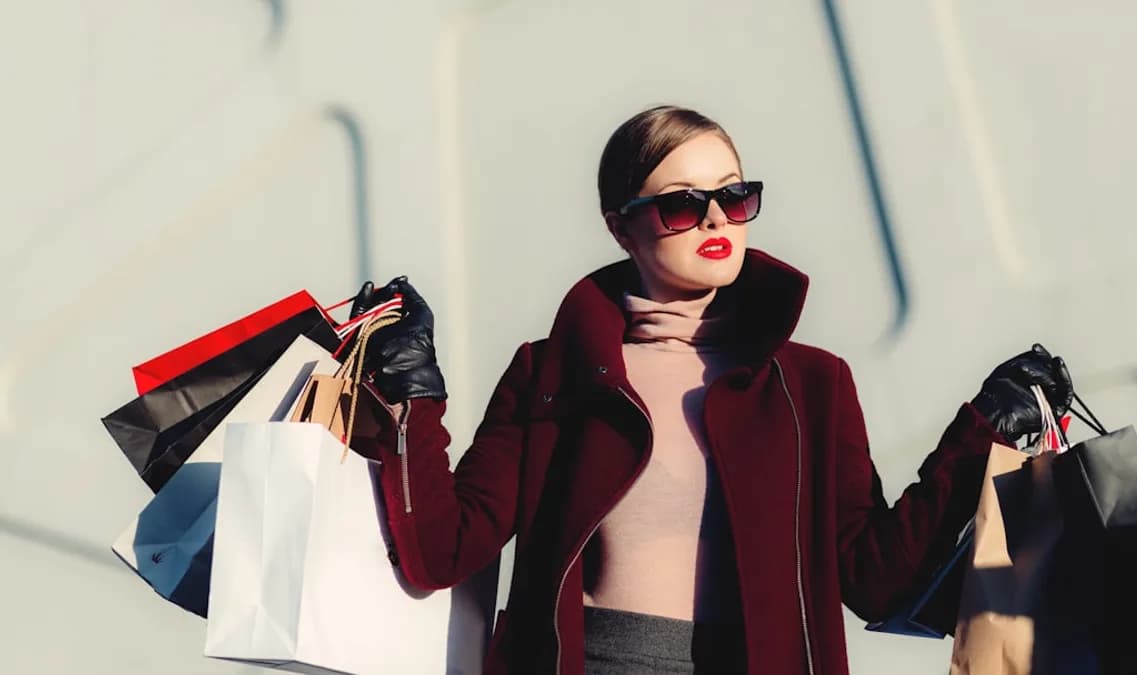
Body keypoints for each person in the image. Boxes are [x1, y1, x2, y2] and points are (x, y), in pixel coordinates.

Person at [348, 105, 1074, 674]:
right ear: (621, 227)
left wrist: (981, 430)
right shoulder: (553, 372)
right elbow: (441, 549)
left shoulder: (812, 385)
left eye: (735, 194)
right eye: (681, 205)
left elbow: (875, 579)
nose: (718, 219)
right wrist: (414, 391)